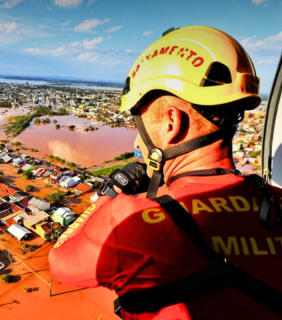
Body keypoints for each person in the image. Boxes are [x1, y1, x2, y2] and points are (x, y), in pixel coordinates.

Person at [48, 26, 282, 320]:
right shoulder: (276, 200)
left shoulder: (132, 222)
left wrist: (112, 193)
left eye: (139, 128)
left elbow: (59, 259)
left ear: (172, 123)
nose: (136, 143)